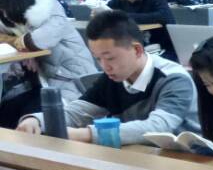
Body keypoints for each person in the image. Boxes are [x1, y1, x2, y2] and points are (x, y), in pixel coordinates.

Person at [16, 10, 199, 144]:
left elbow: (157, 127)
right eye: (98, 59)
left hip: (187, 160)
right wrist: (36, 120)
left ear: (137, 50)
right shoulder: (113, 77)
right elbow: (77, 113)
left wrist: (87, 134)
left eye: (110, 58)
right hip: (140, 157)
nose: (104, 66)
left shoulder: (173, 79)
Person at [0, 0, 97, 113]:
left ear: (16, 4)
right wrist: (23, 47)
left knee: (25, 114)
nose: (5, 15)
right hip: (46, 81)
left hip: (72, 80)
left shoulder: (49, 10)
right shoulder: (18, 19)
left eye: (5, 10)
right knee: (7, 110)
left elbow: (38, 41)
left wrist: (21, 45)